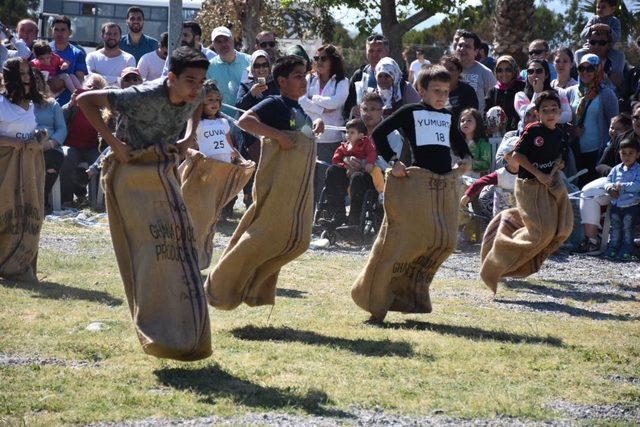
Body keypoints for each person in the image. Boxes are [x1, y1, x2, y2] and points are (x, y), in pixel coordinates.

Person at [352, 65, 471, 322]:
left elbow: (458, 143)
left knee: (443, 240)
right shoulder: (411, 111)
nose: (441, 95)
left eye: (445, 91)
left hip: (441, 185)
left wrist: (466, 158)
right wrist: (394, 161)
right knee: (404, 241)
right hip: (415, 183)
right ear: (421, 91)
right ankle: (376, 300)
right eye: (436, 90)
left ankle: (409, 295)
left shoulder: (449, 116)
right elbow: (380, 133)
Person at [481, 90, 572, 291]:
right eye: (545, 110)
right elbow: (518, 156)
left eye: (554, 109)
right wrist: (538, 173)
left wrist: (558, 164)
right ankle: (495, 260)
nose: (550, 113)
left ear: (560, 112)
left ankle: (508, 221)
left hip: (547, 185)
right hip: (528, 186)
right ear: (538, 113)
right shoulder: (533, 130)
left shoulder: (560, 133)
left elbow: (557, 157)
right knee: (539, 233)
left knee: (560, 229)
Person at [0, 57, 45, 282]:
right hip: (4, 167)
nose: (27, 79)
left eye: (29, 74)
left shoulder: (30, 106)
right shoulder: (1, 104)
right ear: (11, 78)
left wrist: (38, 137)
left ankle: (19, 265)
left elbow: (29, 131)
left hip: (27, 168)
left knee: (27, 214)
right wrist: (11, 141)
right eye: (22, 74)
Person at [575, 111, 636, 254]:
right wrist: (616, 174)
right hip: (616, 184)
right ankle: (592, 241)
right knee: (588, 192)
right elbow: (601, 165)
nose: (638, 121)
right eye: (636, 117)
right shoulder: (621, 138)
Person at [298, 44, 349, 202]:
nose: (319, 62)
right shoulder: (309, 78)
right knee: (308, 181)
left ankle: (321, 217)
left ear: (333, 61)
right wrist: (322, 110)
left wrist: (313, 100)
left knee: (325, 181)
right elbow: (300, 99)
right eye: (316, 58)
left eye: (323, 58)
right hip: (309, 137)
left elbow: (336, 102)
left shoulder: (342, 81)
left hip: (331, 140)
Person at [566, 53, 619, 186]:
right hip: (575, 150)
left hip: (597, 151)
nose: (585, 72)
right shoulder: (571, 92)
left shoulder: (607, 94)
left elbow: (615, 123)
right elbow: (562, 118)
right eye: (581, 68)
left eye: (590, 68)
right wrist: (572, 129)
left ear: (598, 70)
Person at [236, 50, 279, 207]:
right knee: (252, 170)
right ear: (252, 68)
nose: (261, 69)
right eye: (257, 66)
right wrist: (251, 94)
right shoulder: (246, 84)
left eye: (264, 65)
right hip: (250, 137)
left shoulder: (276, 84)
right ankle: (249, 201)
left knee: (269, 172)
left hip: (271, 135)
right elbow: (239, 106)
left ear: (269, 66)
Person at [60, 74, 107, 207]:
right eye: (89, 86)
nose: (92, 89)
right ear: (83, 86)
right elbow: (60, 122)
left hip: (92, 147)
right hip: (72, 145)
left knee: (100, 162)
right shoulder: (74, 105)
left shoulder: (101, 108)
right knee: (67, 159)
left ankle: (95, 201)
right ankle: (66, 200)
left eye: (96, 88)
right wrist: (70, 105)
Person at [322, 118, 379, 228]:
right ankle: (338, 214)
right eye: (347, 132)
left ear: (361, 135)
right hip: (347, 174)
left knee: (357, 177)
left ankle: (354, 218)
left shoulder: (366, 143)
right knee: (332, 170)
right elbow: (336, 159)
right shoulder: (345, 146)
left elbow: (372, 153)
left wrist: (369, 163)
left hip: (363, 175)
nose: (348, 135)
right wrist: (345, 165)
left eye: (352, 132)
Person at [32, 69, 67, 213]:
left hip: (49, 145)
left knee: (53, 157)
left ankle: (42, 199)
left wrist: (50, 143)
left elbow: (62, 129)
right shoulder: (19, 104)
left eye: (37, 80)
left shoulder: (52, 104)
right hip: (25, 143)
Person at [603, 137, 640, 260]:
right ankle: (613, 247)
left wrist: (622, 187)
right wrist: (610, 188)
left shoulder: (638, 170)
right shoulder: (616, 169)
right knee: (615, 228)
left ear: (637, 154)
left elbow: (637, 185)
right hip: (616, 205)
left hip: (631, 206)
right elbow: (607, 181)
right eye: (623, 153)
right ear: (619, 154)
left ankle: (627, 249)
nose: (627, 156)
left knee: (628, 228)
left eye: (631, 153)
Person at [206, 26, 251, 116]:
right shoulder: (209, 68)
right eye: (219, 41)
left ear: (232, 40)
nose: (223, 44)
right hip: (222, 121)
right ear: (213, 45)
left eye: (226, 40)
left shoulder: (249, 61)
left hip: (248, 118)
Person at [343, 34, 389, 120]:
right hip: (363, 129)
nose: (374, 54)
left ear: (387, 52)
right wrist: (353, 110)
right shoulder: (359, 75)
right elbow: (348, 105)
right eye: (371, 51)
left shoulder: (396, 76)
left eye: (379, 50)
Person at [514, 59, 572, 124]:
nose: (534, 74)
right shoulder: (520, 95)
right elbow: (529, 118)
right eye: (530, 71)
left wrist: (544, 117)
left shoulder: (559, 92)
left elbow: (568, 116)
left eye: (539, 71)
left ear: (546, 75)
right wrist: (537, 92)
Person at [49, 16, 87, 106]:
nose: (59, 33)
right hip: (47, 103)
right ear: (52, 31)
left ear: (70, 32)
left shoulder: (78, 53)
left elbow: (80, 79)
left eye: (63, 30)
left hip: (70, 104)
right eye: (56, 30)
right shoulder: (43, 50)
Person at [196, 80, 238, 163]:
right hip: (206, 164)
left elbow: (229, 145)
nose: (214, 103)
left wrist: (238, 158)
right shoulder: (197, 123)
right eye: (210, 99)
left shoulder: (223, 122)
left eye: (217, 99)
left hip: (225, 164)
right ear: (200, 102)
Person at [454, 30, 496, 112]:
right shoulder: (448, 71)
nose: (462, 49)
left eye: (467, 46)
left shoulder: (485, 73)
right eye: (460, 45)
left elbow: (493, 101)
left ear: (476, 51)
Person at [575, 24, 625, 91]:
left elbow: (616, 86)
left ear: (609, 44)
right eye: (593, 42)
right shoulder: (581, 56)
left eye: (602, 43)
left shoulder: (616, 59)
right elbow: (582, 83)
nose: (596, 46)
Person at [484, 55, 525, 132]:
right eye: (500, 70)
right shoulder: (492, 91)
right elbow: (485, 114)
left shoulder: (522, 88)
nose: (504, 73)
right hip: (497, 137)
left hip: (519, 133)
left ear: (514, 70)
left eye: (508, 69)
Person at [440, 55, 478, 121]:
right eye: (443, 70)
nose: (447, 73)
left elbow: (472, 118)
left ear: (459, 71)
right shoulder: (434, 91)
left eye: (451, 69)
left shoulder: (468, 91)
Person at [459, 108, 492, 176]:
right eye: (462, 121)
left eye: (469, 120)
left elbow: (486, 164)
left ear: (478, 123)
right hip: (456, 178)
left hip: (475, 180)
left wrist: (470, 164)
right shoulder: (457, 142)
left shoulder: (483, 143)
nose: (465, 123)